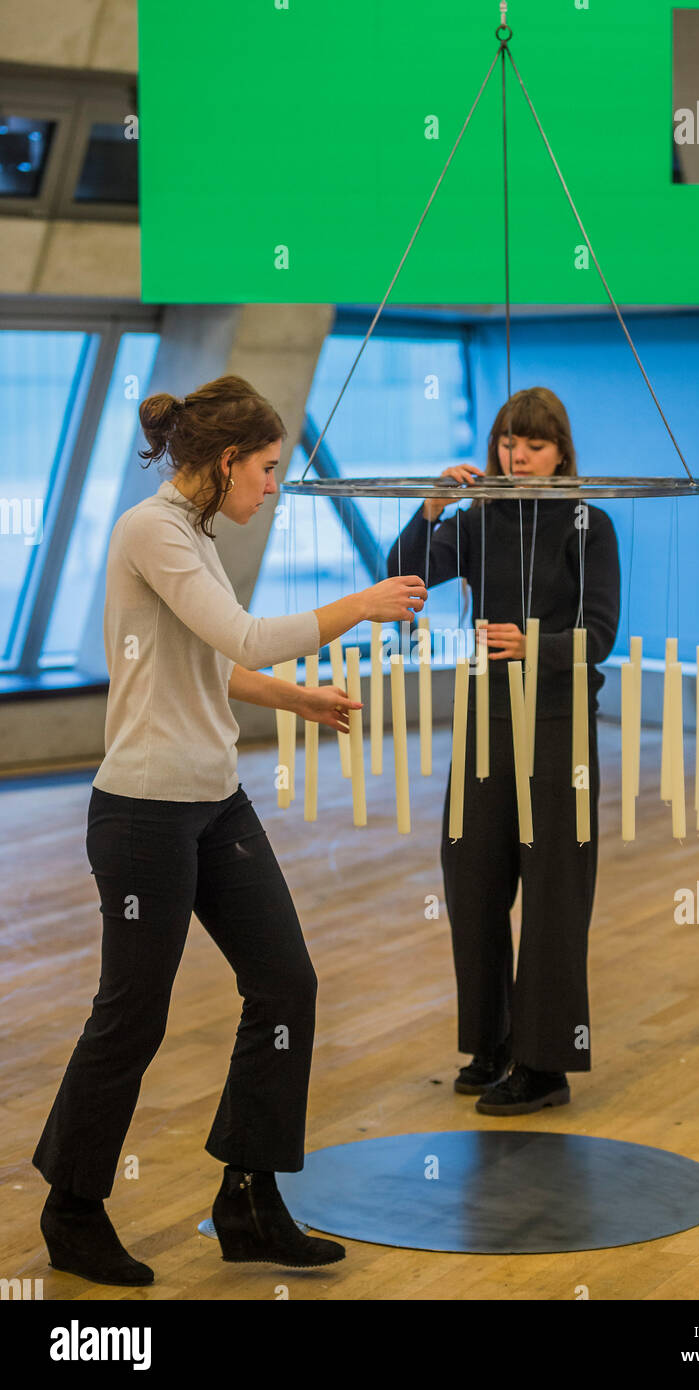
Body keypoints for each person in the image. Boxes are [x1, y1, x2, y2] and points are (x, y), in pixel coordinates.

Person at [31, 374, 428, 1287]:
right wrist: (360, 605)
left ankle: (248, 1196)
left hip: (215, 804)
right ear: (225, 463)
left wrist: (300, 697)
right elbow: (245, 637)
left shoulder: (197, 533)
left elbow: (217, 659)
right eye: (269, 469)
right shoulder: (152, 531)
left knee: (286, 982)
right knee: (133, 1015)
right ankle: (73, 1209)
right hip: (141, 813)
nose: (273, 486)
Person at [387, 387, 620, 1115]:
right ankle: (488, 1042)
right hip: (486, 719)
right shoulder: (477, 519)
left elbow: (602, 634)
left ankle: (544, 1064)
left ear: (561, 456)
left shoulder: (591, 524)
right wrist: (428, 510)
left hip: (557, 724)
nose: (517, 457)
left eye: (534, 446)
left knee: (553, 890)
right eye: (507, 444)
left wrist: (537, 645)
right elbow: (401, 576)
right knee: (473, 878)